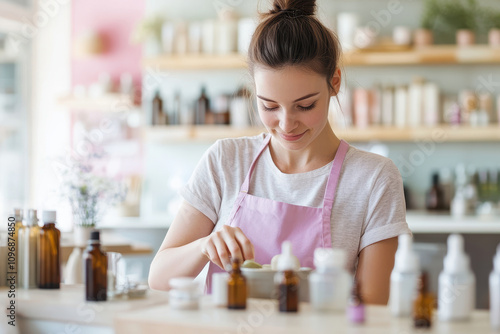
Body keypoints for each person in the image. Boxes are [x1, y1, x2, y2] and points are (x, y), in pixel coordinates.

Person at [148, 0, 411, 304]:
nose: (286, 124)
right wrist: (204, 246)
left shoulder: (374, 179)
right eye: (269, 106)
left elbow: (371, 310)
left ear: (334, 82)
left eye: (305, 105)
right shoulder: (225, 161)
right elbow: (159, 278)